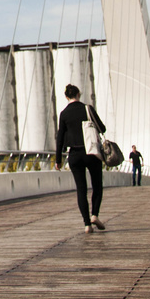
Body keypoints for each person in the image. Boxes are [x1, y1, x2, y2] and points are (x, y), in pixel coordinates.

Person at [55, 83, 106, 234]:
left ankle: (86, 225)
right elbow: (102, 128)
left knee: (81, 190)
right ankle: (94, 215)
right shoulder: (87, 108)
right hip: (91, 153)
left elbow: (60, 138)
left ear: (66, 97)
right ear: (79, 94)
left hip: (74, 155)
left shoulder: (64, 114)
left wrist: (58, 160)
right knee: (97, 186)